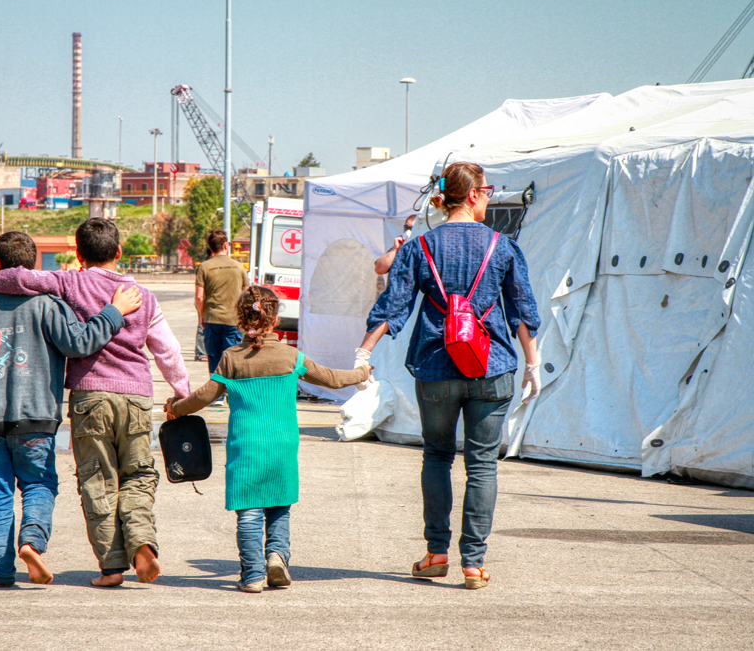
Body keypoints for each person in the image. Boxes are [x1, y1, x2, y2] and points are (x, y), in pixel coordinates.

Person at [0, 218, 190, 587]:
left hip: (89, 396)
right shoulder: (144, 296)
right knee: (137, 475)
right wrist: (182, 393)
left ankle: (111, 568)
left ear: (78, 253)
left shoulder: (70, 282)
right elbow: (168, 350)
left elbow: (21, 277)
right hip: (136, 396)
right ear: (119, 252)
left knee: (97, 479)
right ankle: (142, 544)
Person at [355, 162, 541, 590]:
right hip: (492, 368)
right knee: (482, 466)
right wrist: (532, 365)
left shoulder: (419, 248)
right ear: (473, 195)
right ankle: (473, 563)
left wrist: (364, 350)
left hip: (436, 367)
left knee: (437, 456)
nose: (490, 197)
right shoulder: (503, 247)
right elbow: (522, 313)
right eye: (488, 190)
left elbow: (392, 306)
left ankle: (436, 551)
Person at [0, 231, 142, 588]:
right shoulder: (49, 304)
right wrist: (114, 312)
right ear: (32, 268)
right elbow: (81, 342)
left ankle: (0, 571)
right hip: (36, 416)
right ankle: (32, 543)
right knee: (39, 483)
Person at [164, 285, 370, 593]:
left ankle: (253, 575)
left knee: (249, 512)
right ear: (274, 320)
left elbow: (203, 397)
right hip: (282, 446)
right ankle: (276, 557)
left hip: (246, 449)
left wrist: (175, 410)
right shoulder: (291, 357)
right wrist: (361, 372)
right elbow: (331, 378)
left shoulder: (231, 359)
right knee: (278, 507)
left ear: (240, 319)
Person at [195, 230, 249, 400]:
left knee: (214, 356)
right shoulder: (240, 267)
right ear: (226, 246)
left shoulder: (204, 267)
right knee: (232, 357)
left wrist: (202, 316)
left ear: (210, 248)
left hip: (211, 318)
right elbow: (246, 295)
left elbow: (199, 296)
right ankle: (232, 395)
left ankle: (216, 396)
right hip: (233, 320)